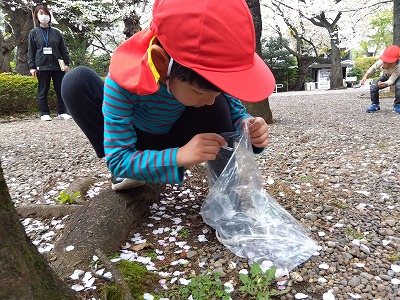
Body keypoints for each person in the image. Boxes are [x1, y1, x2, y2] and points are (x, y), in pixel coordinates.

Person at [61, 0, 276, 191]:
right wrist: (179, 156)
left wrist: (250, 131)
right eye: (199, 92)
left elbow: (236, 116)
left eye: (219, 90)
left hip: (177, 130)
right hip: (136, 142)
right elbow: (118, 158)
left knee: (219, 104)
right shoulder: (122, 82)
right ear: (162, 63)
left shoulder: (209, 86)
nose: (210, 99)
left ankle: (227, 191)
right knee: (76, 81)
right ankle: (130, 173)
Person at [28, 5, 72, 121]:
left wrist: (66, 63)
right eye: (41, 14)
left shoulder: (56, 32)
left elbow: (63, 49)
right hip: (41, 66)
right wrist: (32, 67)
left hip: (57, 65)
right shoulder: (33, 33)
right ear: (36, 16)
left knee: (60, 89)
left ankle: (62, 112)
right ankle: (44, 113)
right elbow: (31, 51)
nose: (44, 16)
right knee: (43, 90)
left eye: (46, 14)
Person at [361, 45, 400, 114]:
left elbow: (391, 80)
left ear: (396, 61)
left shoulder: (398, 67)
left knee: (399, 86)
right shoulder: (381, 61)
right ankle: (375, 104)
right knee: (373, 86)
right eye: (384, 61)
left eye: (389, 62)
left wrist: (385, 83)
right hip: (385, 76)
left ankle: (397, 105)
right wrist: (365, 76)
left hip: (397, 78)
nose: (385, 65)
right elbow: (373, 68)